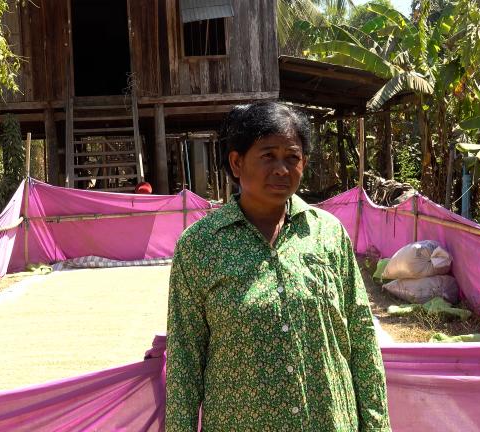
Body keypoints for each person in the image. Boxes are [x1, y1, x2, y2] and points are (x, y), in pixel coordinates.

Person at [165, 101, 391, 431]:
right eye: (268, 155)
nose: (282, 168)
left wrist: (377, 426)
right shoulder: (199, 246)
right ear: (237, 162)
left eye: (292, 157)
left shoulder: (328, 234)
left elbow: (362, 341)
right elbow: (184, 363)